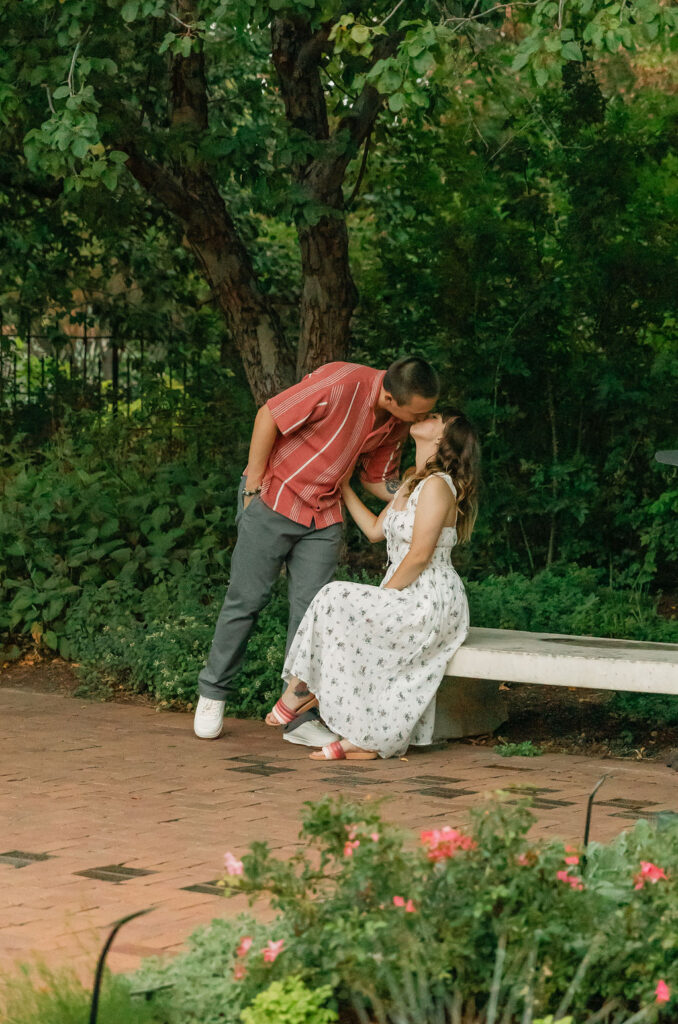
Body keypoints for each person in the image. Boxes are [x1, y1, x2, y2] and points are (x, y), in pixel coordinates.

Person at [194, 357, 440, 745]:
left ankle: (296, 719)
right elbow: (268, 415)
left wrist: (423, 494)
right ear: (391, 397)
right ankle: (212, 694)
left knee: (312, 614)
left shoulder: (396, 422)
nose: (424, 418)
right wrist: (253, 486)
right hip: (275, 497)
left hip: (323, 516)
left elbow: (378, 479)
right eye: (420, 412)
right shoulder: (340, 382)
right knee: (246, 599)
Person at [264, 408, 479, 760]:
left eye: (436, 417)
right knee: (336, 602)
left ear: (442, 437)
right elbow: (375, 531)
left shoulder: (439, 486)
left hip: (431, 597)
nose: (426, 415)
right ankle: (359, 733)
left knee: (336, 596)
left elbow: (420, 555)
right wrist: (345, 486)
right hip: (407, 589)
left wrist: (382, 597)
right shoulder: (413, 481)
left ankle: (303, 689)